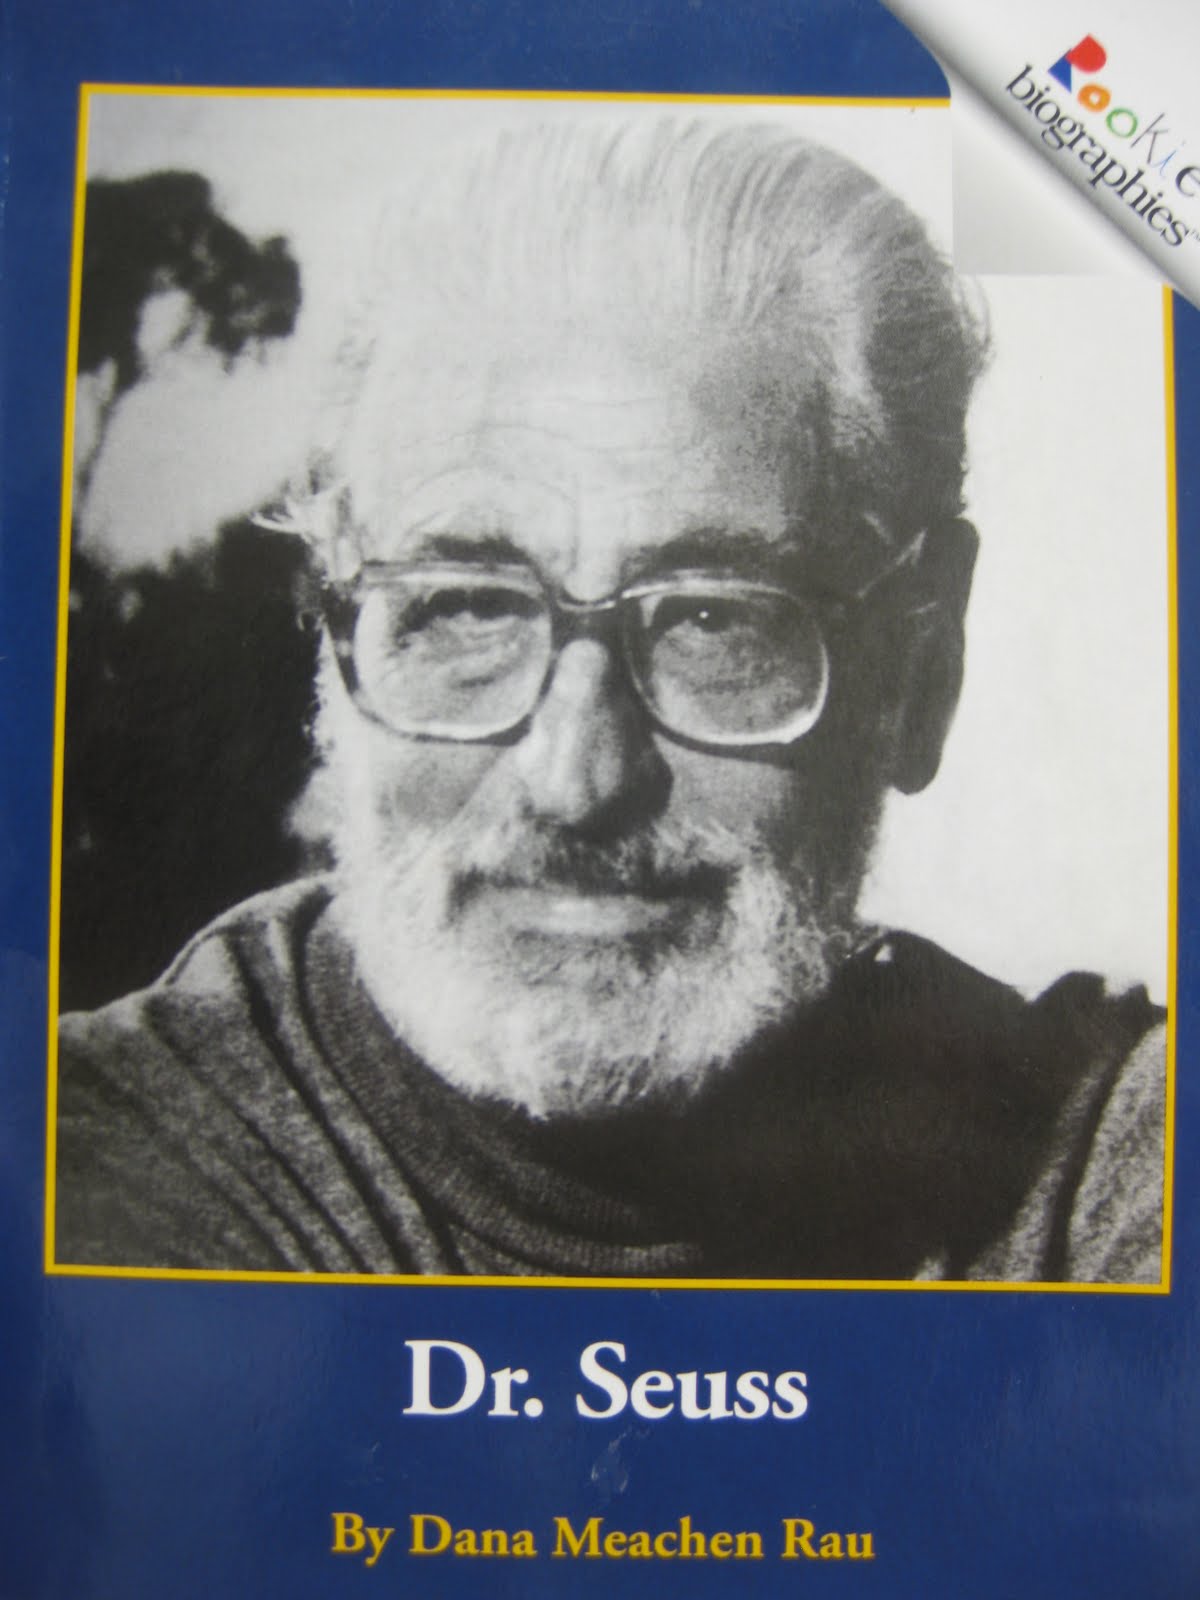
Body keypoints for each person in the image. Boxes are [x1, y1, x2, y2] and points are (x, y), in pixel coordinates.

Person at [55, 117, 1165, 1283]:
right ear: (337, 640)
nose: (576, 778)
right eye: (466, 608)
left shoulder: (1098, 1168)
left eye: (713, 620)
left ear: (923, 666)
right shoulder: (89, 1179)